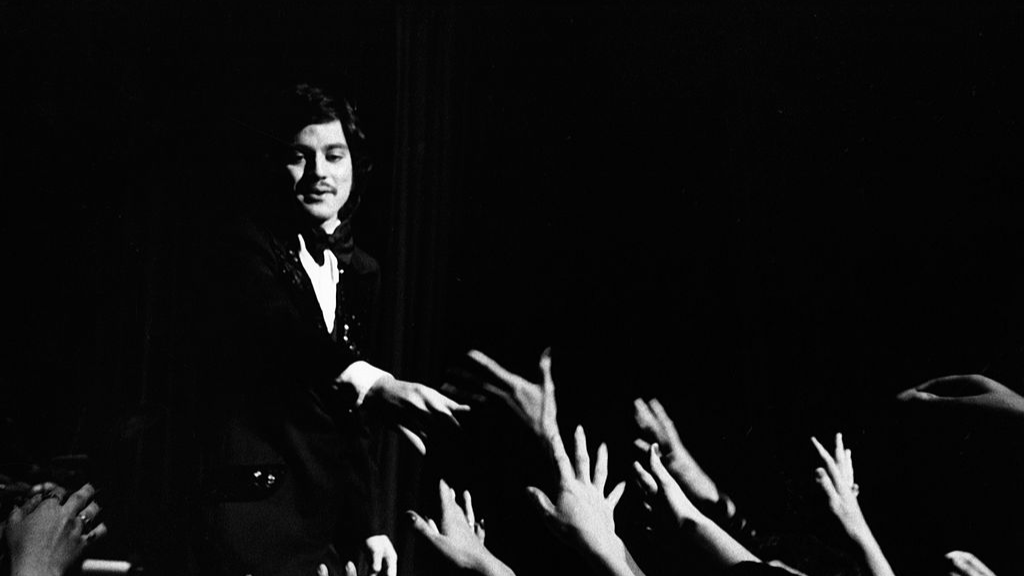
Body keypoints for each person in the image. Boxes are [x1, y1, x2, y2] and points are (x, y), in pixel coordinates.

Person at [195, 83, 468, 576]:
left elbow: (349, 419)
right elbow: (284, 332)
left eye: (334, 156)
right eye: (299, 156)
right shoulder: (244, 243)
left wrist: (368, 524)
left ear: (354, 166)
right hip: (246, 517)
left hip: (319, 525)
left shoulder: (363, 271)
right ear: (276, 166)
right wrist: (374, 383)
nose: (319, 172)